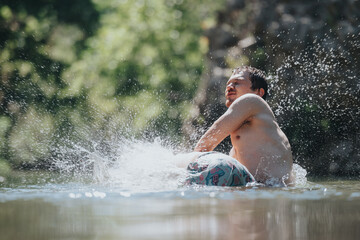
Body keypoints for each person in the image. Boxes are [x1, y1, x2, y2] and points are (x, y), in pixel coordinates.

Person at [184, 66, 293, 186]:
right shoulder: (239, 149)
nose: (229, 87)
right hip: (271, 191)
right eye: (228, 84)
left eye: (237, 83)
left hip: (268, 191)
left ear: (259, 92)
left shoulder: (252, 100)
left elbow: (203, 146)